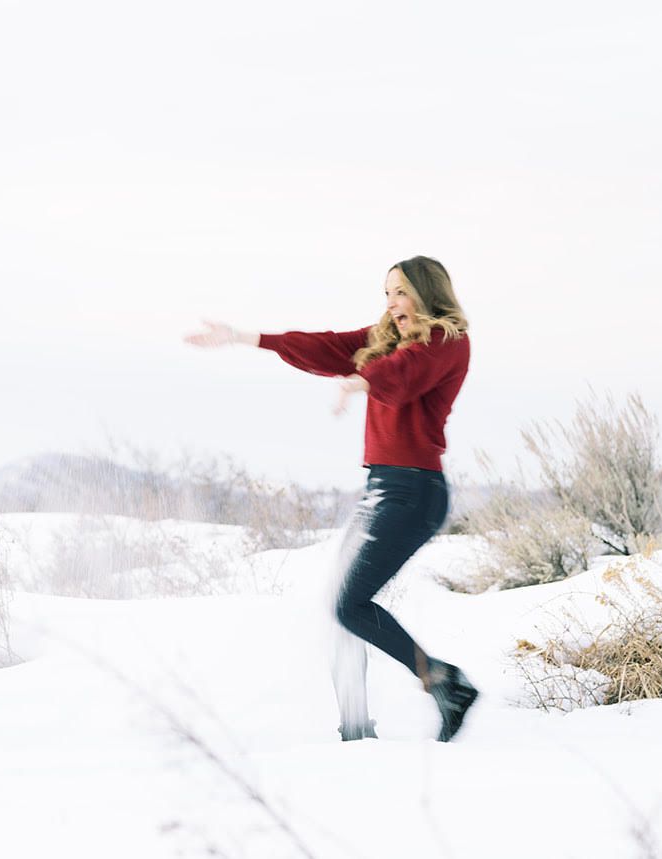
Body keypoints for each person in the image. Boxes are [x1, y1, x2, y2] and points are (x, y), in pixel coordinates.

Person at [184, 255, 478, 742]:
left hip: (413, 493)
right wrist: (246, 337)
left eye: (402, 292)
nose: (392, 303)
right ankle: (356, 730)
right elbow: (325, 346)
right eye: (387, 294)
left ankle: (444, 682)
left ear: (428, 293)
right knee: (341, 611)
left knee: (348, 605)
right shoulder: (384, 339)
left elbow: (406, 374)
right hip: (381, 488)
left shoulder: (448, 342)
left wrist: (363, 380)